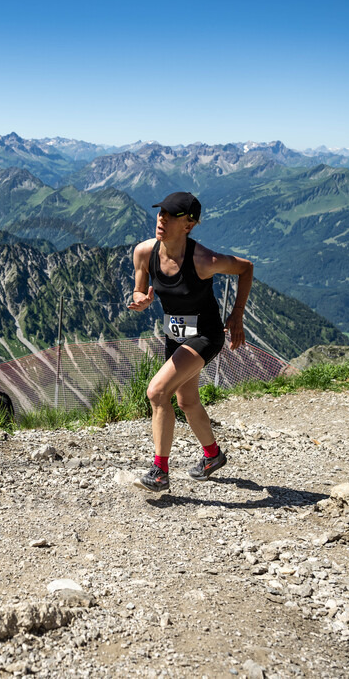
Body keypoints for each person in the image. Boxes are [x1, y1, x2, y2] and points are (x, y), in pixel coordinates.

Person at [128, 192, 253, 492]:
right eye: (161, 212)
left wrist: (237, 315)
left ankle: (160, 472)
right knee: (186, 401)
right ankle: (213, 455)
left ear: (189, 225)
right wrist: (141, 300)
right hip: (176, 335)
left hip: (205, 335)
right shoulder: (144, 253)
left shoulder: (204, 260)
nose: (162, 219)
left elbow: (246, 267)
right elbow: (138, 289)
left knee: (157, 392)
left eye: (172, 215)